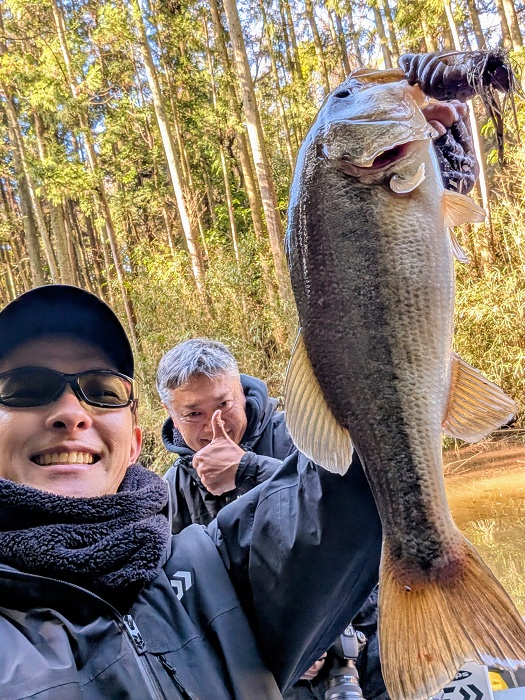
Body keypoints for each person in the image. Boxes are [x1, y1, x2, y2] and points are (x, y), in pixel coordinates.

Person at [0, 283, 382, 699]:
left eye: (103, 391)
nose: (71, 413)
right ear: (172, 418)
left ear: (133, 444)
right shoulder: (176, 488)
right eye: (25, 389)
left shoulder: (213, 563)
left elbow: (360, 474)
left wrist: (247, 470)